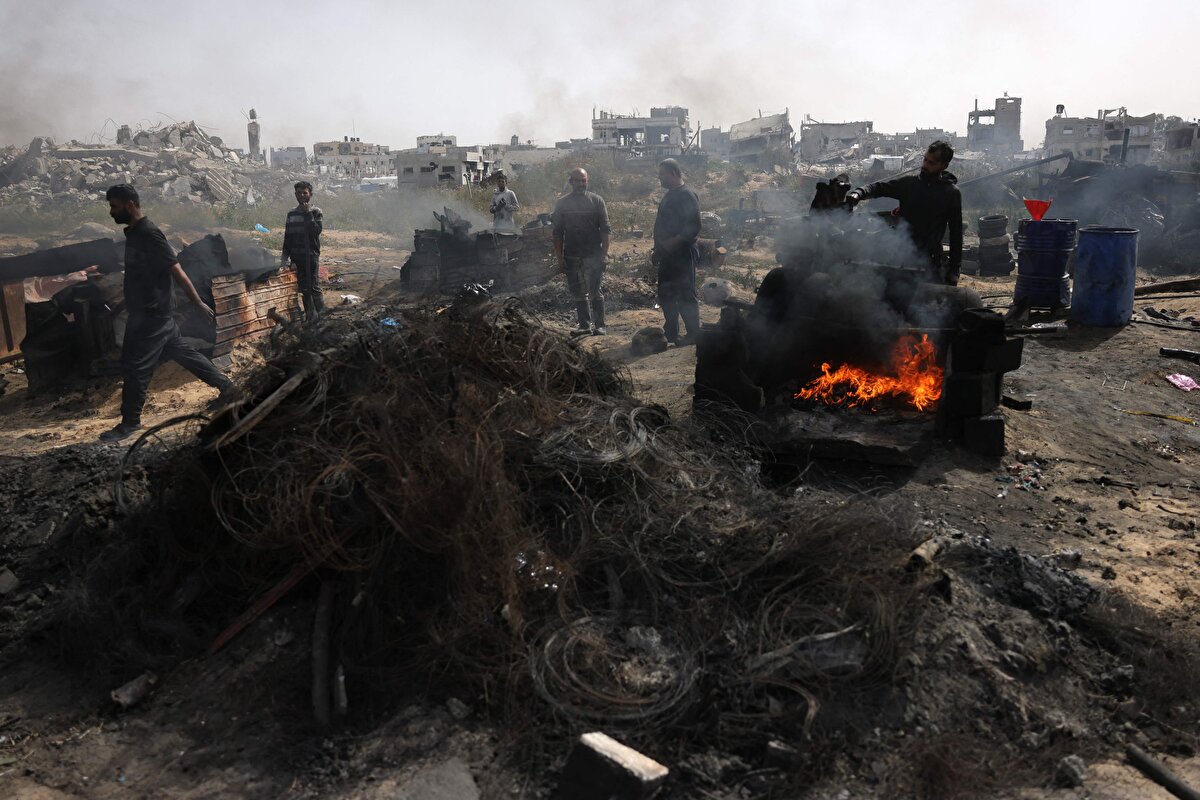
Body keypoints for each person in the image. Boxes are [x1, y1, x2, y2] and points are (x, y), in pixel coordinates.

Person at [100, 184, 238, 442]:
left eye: (114, 206)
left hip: (152, 315)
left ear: (130, 205)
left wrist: (198, 303)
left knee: (135, 366)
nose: (111, 212)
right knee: (183, 353)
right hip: (149, 312)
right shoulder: (135, 233)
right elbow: (141, 277)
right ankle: (229, 387)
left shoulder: (150, 234)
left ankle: (130, 423)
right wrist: (122, 305)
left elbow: (177, 271)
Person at [845, 141, 963, 285]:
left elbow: (956, 233)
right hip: (901, 257)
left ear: (944, 166)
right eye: (925, 159)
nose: (925, 165)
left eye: (931, 163)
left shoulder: (951, 193)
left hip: (929, 262)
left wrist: (955, 270)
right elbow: (878, 188)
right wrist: (859, 193)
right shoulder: (909, 184)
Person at [552, 167, 611, 336]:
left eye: (583, 181)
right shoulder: (562, 204)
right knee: (578, 292)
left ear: (587, 182)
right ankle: (584, 325)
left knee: (595, 291)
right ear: (571, 182)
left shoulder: (597, 201)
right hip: (572, 255)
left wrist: (604, 254)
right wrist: (559, 258)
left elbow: (605, 229)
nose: (580, 184)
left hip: (593, 254)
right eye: (577, 181)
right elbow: (557, 233)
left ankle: (600, 325)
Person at [651, 158, 701, 345]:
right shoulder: (669, 195)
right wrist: (658, 249)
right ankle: (671, 331)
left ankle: (694, 334)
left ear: (673, 173)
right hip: (667, 255)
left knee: (686, 294)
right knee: (667, 293)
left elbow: (694, 226)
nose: (659, 178)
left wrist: (674, 241)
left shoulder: (687, 195)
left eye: (662, 174)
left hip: (682, 254)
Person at [281, 180, 325, 321]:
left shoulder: (316, 212)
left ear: (310, 194)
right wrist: (284, 257)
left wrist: (308, 214)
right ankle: (311, 319)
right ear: (295, 195)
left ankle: (324, 318)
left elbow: (316, 231)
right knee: (304, 289)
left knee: (314, 287)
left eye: (305, 193)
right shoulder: (291, 214)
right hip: (297, 257)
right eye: (299, 193)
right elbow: (288, 237)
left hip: (311, 256)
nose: (302, 195)